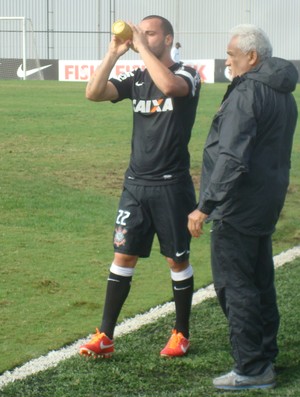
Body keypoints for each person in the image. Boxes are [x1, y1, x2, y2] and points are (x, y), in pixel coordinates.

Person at [79, 15, 201, 359]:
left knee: (176, 262)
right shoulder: (136, 76)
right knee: (123, 255)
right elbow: (93, 93)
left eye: (150, 34)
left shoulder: (187, 73)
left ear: (167, 39)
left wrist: (142, 49)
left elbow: (171, 88)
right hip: (135, 185)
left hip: (172, 187)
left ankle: (181, 333)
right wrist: (114, 53)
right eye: (141, 33)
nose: (141, 38)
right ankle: (105, 336)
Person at [188, 24, 298, 390]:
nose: (227, 61)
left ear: (251, 57)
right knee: (260, 279)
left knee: (236, 286)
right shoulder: (283, 92)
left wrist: (205, 205)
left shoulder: (248, 92)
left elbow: (232, 156)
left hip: (239, 204)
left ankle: (252, 368)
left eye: (232, 55)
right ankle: (264, 353)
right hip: (267, 200)